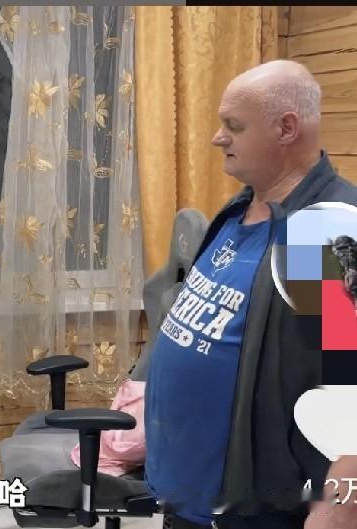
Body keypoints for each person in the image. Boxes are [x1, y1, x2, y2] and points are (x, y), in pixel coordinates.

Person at [143, 59, 357, 529]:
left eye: (234, 126)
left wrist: (340, 506)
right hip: (186, 499)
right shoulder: (241, 207)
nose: (217, 138)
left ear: (286, 128)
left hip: (256, 514)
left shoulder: (318, 235)